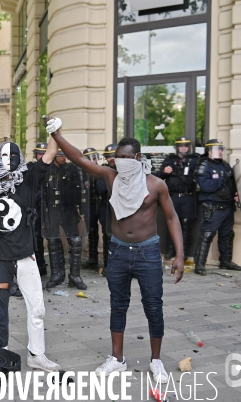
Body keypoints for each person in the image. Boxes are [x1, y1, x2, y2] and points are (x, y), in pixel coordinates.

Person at [48, 117, 184, 383]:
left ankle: (156, 361)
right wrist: (57, 135)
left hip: (147, 252)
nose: (119, 161)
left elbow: (171, 218)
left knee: (153, 307)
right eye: (116, 157)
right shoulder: (111, 177)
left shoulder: (156, 184)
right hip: (119, 251)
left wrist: (179, 255)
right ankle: (117, 359)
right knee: (117, 305)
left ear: (138, 157)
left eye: (125, 157)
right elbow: (79, 159)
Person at [0, 133, 62, 372]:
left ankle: (37, 354)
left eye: (14, 155)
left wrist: (55, 131)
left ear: (20, 156)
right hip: (0, 257)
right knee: (0, 310)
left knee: (37, 308)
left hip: (26, 256)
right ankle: (1, 355)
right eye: (5, 155)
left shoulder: (28, 179)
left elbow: (50, 155)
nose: (10, 159)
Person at [193, 139, 241, 275]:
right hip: (213, 207)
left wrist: (235, 194)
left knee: (227, 235)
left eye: (221, 149)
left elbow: (231, 183)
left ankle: (225, 261)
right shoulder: (203, 165)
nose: (220, 151)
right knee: (207, 235)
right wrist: (222, 178)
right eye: (217, 149)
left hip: (227, 206)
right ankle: (199, 265)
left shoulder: (225, 165)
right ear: (209, 151)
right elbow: (206, 186)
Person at [42, 148, 87, 290]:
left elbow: (79, 189)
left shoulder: (72, 169)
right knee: (53, 241)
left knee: (76, 240)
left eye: (64, 156)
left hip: (69, 210)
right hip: (52, 210)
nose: (63, 158)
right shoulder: (47, 170)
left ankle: (75, 275)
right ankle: (56, 274)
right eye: (60, 156)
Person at [156, 137, 199, 260]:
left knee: (186, 225)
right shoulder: (170, 160)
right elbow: (158, 176)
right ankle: (171, 250)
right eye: (181, 146)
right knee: (171, 223)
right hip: (173, 197)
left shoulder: (195, 160)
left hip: (188, 197)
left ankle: (183, 252)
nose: (184, 148)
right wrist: (164, 172)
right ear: (177, 148)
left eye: (186, 145)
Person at [97, 144, 118, 274]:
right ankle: (108, 267)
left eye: (114, 156)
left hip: (123, 208)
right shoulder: (102, 171)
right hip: (107, 207)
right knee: (108, 238)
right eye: (109, 156)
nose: (111, 158)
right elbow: (101, 189)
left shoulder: (125, 170)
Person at [29, 142, 48, 276]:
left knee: (54, 241)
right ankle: (39, 267)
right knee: (36, 238)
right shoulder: (31, 168)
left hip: (51, 209)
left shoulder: (54, 168)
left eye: (44, 153)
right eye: (39, 153)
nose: (41, 156)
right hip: (36, 209)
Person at [83, 147, 102, 270]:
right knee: (91, 231)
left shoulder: (102, 170)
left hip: (102, 204)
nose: (92, 160)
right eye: (89, 158)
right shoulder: (82, 173)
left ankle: (107, 262)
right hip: (89, 205)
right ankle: (92, 258)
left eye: (94, 158)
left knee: (107, 232)